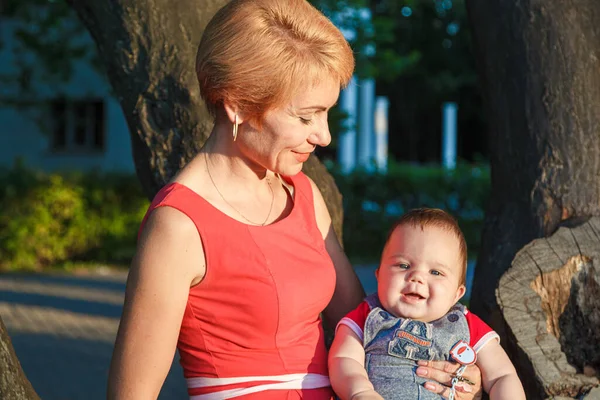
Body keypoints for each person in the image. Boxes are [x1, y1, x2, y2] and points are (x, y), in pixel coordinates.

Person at [107, 1, 485, 399]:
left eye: (326, 115)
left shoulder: (302, 193)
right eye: (306, 117)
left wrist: (455, 373)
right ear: (237, 103)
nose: (324, 136)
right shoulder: (178, 225)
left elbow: (366, 324)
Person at [328, 208, 526, 400]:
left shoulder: (467, 325)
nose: (417, 277)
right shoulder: (367, 316)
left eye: (435, 272)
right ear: (379, 275)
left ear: (457, 294)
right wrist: (360, 392)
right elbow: (343, 359)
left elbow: (502, 376)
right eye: (403, 265)